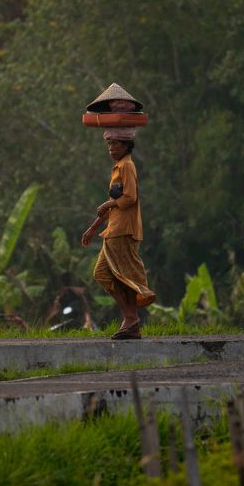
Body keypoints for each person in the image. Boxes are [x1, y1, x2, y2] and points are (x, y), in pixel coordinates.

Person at [81, 128, 156, 339]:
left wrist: (109, 202)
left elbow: (129, 198)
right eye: (109, 145)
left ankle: (131, 321)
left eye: (115, 144)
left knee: (123, 275)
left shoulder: (127, 166)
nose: (111, 149)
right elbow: (113, 208)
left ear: (125, 145)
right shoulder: (118, 168)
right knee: (103, 274)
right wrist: (93, 227)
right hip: (113, 229)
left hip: (124, 230)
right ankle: (130, 318)